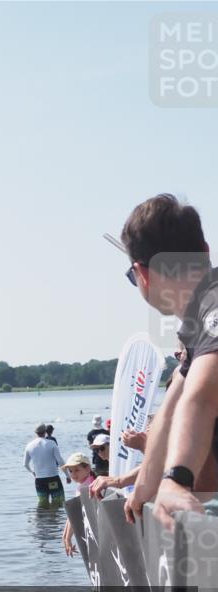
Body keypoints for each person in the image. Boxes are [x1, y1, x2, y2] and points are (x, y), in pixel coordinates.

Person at [110, 195, 218, 528]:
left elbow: (201, 396)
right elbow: (171, 409)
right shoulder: (198, 320)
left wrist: (175, 479)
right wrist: (142, 490)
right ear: (204, 250)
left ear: (142, 273)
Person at [60, 453, 95, 557]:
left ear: (88, 468)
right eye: (70, 471)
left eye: (77, 470)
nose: (73, 474)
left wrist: (68, 537)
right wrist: (65, 535)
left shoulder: (86, 486)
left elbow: (75, 513)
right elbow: (72, 513)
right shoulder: (85, 483)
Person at [23, 424, 65, 508]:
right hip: (53, 478)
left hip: (39, 480)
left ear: (36, 433)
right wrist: (67, 475)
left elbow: (25, 464)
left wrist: (33, 472)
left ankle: (43, 520)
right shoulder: (52, 443)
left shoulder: (29, 445)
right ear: (45, 432)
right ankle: (55, 520)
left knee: (43, 503)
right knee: (58, 502)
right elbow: (60, 461)